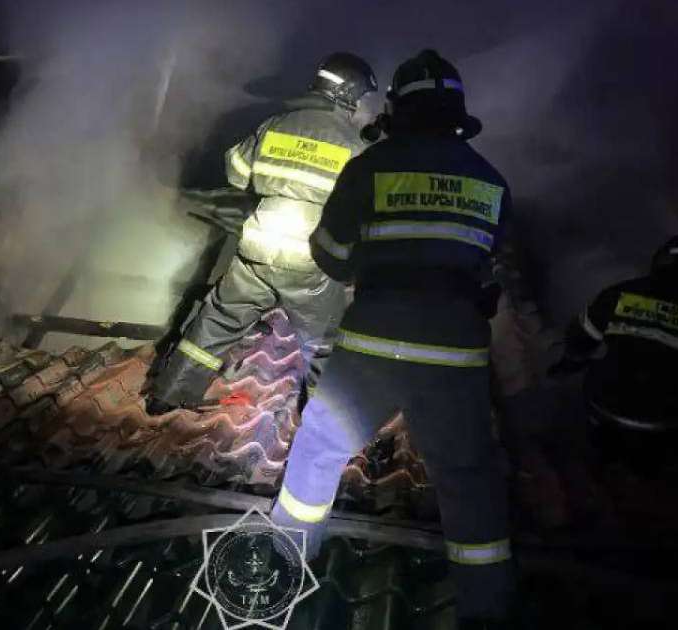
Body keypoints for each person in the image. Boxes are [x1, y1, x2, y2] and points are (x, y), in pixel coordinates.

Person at [270, 49, 516, 626]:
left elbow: (327, 254)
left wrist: (369, 263)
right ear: (457, 111)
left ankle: (276, 576)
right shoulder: (491, 181)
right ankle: (488, 611)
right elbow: (495, 267)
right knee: (467, 478)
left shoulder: (371, 167)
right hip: (455, 352)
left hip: (373, 342)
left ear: (398, 108)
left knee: (319, 450)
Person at [146, 52, 378, 414]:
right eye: (364, 97)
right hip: (309, 261)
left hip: (256, 249)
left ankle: (168, 395)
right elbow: (362, 210)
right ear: (348, 94)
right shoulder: (354, 147)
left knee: (217, 321)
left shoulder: (274, 125)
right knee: (322, 345)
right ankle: (322, 420)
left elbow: (236, 172)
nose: (366, 107)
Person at [549, 232, 678, 470]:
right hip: (663, 423)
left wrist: (568, 365)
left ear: (661, 259)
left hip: (604, 407)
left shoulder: (620, 294)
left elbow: (579, 341)